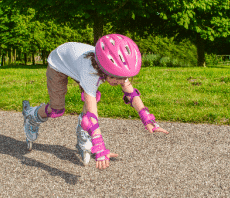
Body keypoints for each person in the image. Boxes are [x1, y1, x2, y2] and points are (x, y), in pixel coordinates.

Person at [22, 34, 169, 170]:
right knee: (57, 110)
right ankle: (31, 116)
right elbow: (92, 116)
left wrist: (147, 119)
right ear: (103, 68)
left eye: (122, 78)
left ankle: (83, 133)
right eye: (116, 78)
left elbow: (131, 93)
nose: (120, 82)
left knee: (93, 97)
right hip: (59, 64)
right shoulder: (90, 73)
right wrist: (99, 145)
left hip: (76, 63)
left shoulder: (113, 67)